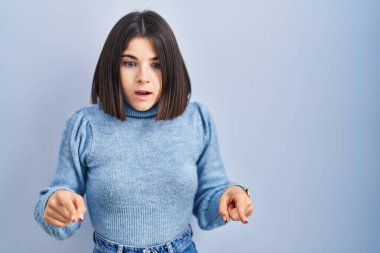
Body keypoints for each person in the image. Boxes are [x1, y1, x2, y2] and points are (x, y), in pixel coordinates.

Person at [33, 9, 254, 253]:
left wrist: (230, 194)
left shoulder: (197, 120)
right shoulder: (85, 126)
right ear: (112, 68)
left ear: (171, 68)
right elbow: (61, 195)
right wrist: (53, 204)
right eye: (130, 63)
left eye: (156, 65)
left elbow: (209, 198)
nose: (143, 77)